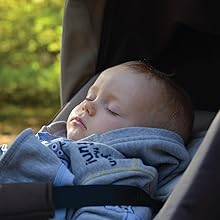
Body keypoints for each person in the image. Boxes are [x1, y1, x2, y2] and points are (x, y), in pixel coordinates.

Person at [0, 61, 193, 220]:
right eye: (90, 96)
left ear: (145, 139)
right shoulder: (53, 141)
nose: (87, 105)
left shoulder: (118, 174)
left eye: (112, 109)